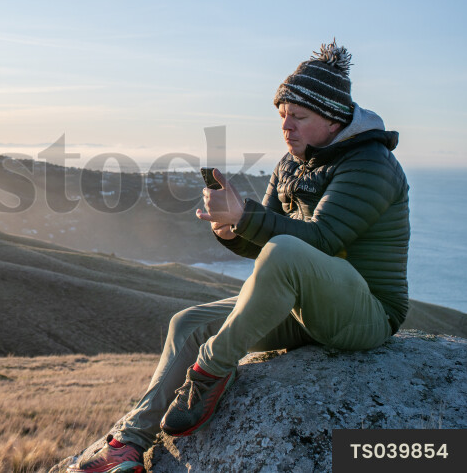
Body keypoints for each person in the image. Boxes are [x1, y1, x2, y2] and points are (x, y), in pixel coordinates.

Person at [65, 40, 410, 473]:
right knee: (187, 322)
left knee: (287, 249)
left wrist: (247, 217)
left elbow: (320, 239)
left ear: (335, 119)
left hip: (366, 313)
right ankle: (130, 445)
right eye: (282, 116)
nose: (287, 127)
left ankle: (209, 372)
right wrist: (230, 227)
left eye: (300, 118)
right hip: (309, 307)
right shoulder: (292, 164)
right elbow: (263, 242)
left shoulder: (370, 162)